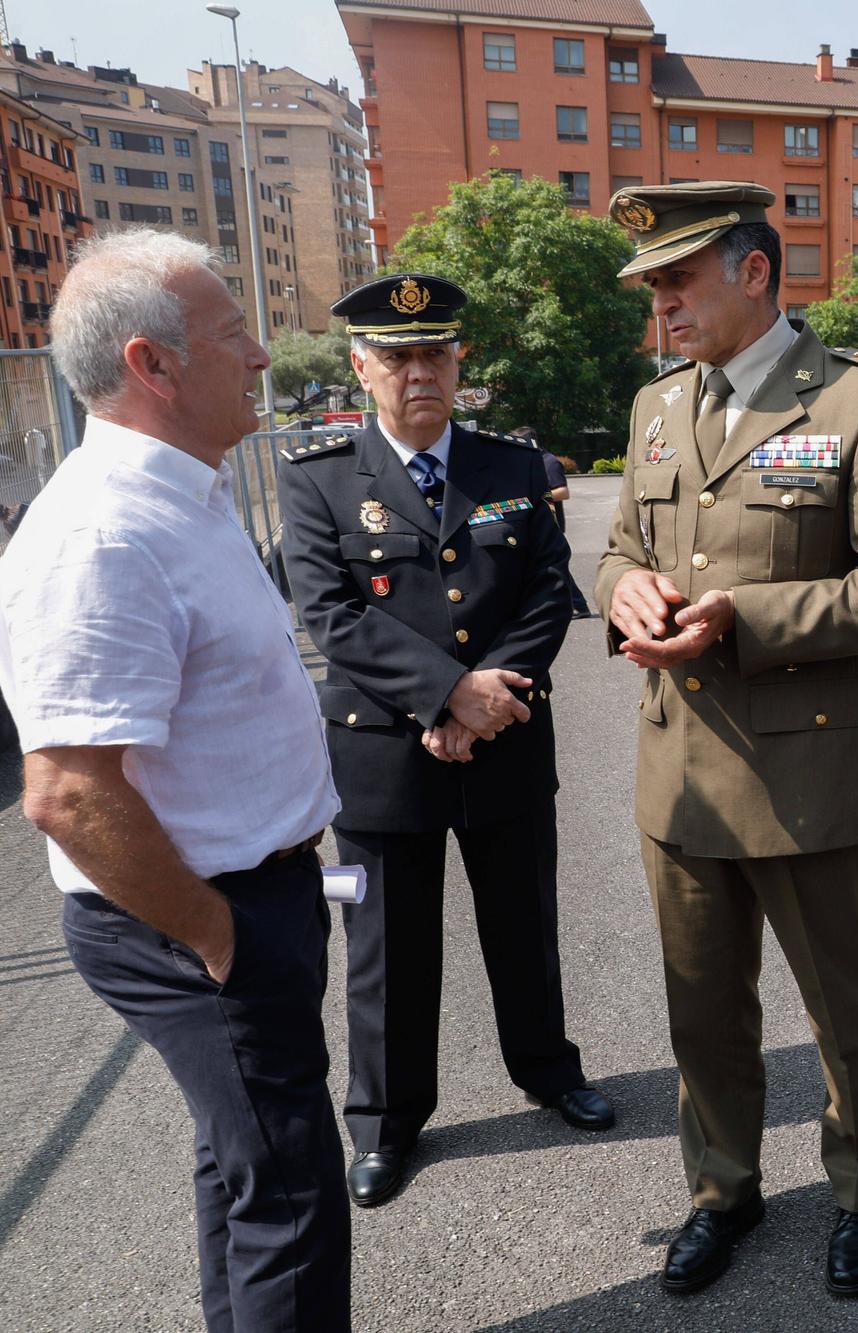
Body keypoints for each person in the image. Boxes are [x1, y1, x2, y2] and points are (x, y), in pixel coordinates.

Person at [594, 182, 858, 1299]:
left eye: (677, 278)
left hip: (809, 771)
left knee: (843, 1006)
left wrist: (744, 617)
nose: (661, 304)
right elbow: (614, 550)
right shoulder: (657, 407)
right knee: (702, 1008)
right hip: (678, 770)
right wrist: (626, 592)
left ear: (753, 271)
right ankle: (722, 1188)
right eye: (650, 286)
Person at [6, 230, 348, 1328]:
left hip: (254, 892)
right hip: (192, 914)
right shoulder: (103, 532)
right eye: (235, 335)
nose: (259, 358)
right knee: (289, 1187)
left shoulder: (181, 494)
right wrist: (217, 937)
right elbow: (68, 791)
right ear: (154, 365)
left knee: (246, 1160)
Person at [278, 273, 613, 1211]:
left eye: (435, 353)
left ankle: (547, 1069)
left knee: (524, 921)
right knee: (387, 945)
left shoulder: (512, 467)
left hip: (505, 734)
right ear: (361, 366)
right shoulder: (318, 476)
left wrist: (489, 694)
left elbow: (551, 589)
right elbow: (330, 613)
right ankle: (385, 1122)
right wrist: (446, 693)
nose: (419, 371)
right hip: (385, 751)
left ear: (459, 360)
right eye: (397, 355)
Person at [529, 430, 593, 617]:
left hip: (551, 523)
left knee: (553, 565)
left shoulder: (549, 462)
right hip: (537, 522)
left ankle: (579, 605)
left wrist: (532, 497)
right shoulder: (532, 460)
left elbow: (563, 492)